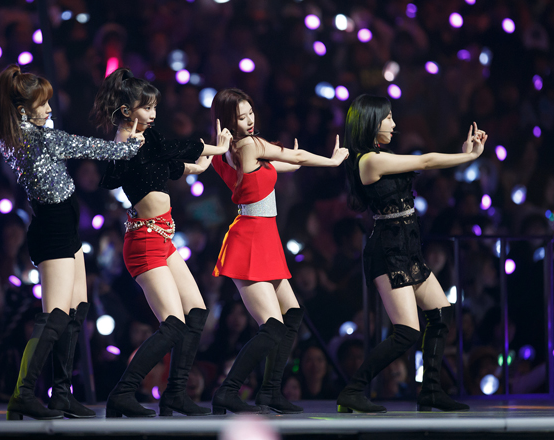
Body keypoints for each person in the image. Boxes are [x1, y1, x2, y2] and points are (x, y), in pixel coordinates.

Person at [0, 64, 144, 420]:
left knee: (76, 311)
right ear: (23, 110)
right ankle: (23, 394)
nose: (49, 109)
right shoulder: (38, 138)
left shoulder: (18, 136)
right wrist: (130, 144)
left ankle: (61, 394)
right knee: (55, 316)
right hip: (54, 230)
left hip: (64, 228)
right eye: (42, 104)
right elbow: (91, 147)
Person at [91, 67, 232, 418]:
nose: (154, 113)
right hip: (143, 241)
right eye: (147, 107)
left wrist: (204, 162)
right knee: (173, 324)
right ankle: (123, 393)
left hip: (164, 238)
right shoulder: (125, 143)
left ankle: (175, 395)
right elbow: (111, 178)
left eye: (155, 107)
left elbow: (174, 162)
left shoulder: (149, 139)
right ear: (127, 110)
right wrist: (215, 146)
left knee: (196, 312)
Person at [338, 94, 487, 413]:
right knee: (407, 332)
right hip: (387, 250)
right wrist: (467, 156)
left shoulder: (382, 155)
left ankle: (430, 390)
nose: (394, 124)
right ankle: (353, 390)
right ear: (371, 122)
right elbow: (426, 161)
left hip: (407, 245)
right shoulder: (369, 160)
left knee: (441, 312)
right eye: (388, 118)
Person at [209, 88, 349, 414]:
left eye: (250, 112)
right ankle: (227, 391)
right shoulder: (249, 145)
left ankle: (270, 391)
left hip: (265, 238)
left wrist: (290, 157)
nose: (249, 120)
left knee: (293, 314)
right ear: (228, 120)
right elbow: (294, 158)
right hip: (250, 239)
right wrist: (330, 161)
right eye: (241, 116)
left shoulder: (228, 151)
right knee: (272, 326)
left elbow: (287, 164)